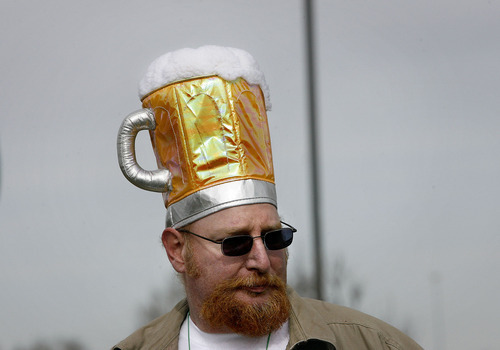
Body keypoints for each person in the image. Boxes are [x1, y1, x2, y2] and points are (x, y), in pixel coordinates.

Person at [113, 46, 423, 350]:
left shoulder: (373, 345)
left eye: (275, 238)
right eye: (235, 243)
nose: (262, 261)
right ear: (177, 250)